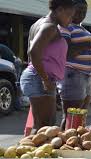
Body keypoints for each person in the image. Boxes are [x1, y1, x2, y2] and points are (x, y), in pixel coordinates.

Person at [20, 0, 75, 132]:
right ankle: (35, 152)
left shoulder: (39, 23)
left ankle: (35, 151)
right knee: (45, 127)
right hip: (40, 79)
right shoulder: (49, 27)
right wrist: (45, 79)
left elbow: (32, 53)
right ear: (59, 10)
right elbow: (33, 52)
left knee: (43, 126)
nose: (71, 20)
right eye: (69, 15)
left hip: (38, 77)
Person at [59, 0, 91, 130]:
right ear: (70, 9)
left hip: (86, 76)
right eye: (79, 10)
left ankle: (76, 144)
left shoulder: (82, 29)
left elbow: (84, 49)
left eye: (84, 11)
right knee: (71, 116)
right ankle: (65, 146)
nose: (82, 14)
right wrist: (89, 45)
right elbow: (66, 52)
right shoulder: (65, 27)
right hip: (73, 74)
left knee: (80, 117)